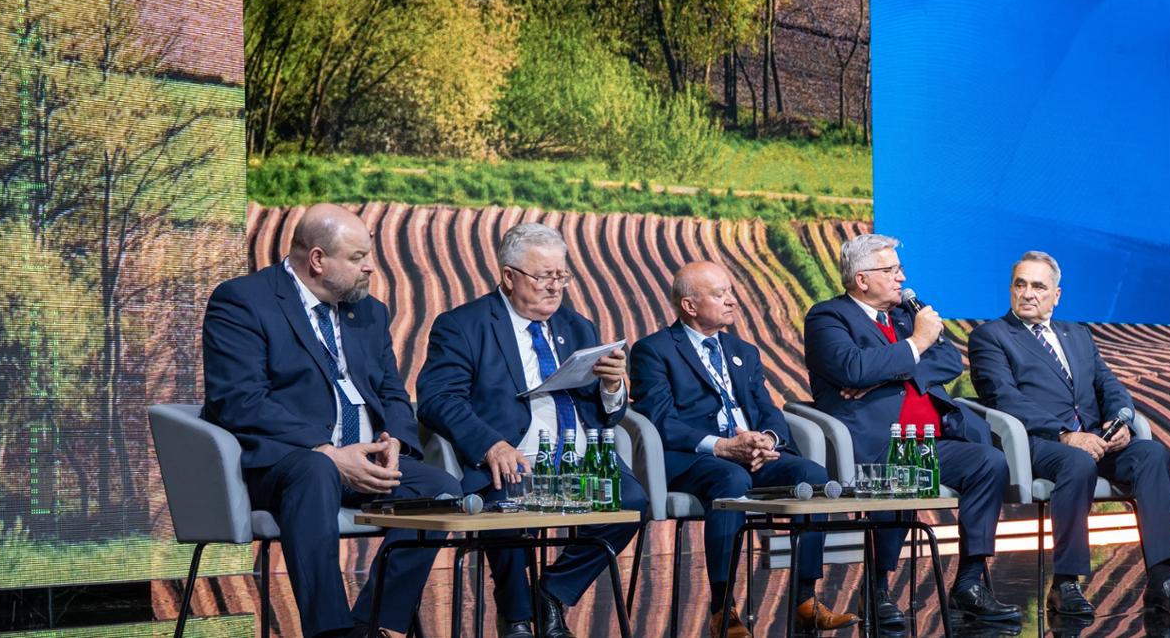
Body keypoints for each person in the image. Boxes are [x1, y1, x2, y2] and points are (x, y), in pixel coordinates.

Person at [201, 204, 457, 638]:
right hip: (286, 463)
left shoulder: (370, 312)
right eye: (358, 258)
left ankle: (376, 624)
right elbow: (240, 400)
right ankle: (331, 632)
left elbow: (392, 392)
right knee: (317, 469)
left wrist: (396, 440)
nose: (370, 267)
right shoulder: (243, 301)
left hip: (364, 461)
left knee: (441, 490)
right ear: (318, 260)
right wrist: (328, 452)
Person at [415, 223, 645, 638]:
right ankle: (517, 616)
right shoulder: (463, 325)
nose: (555, 287)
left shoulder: (578, 327)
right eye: (543, 276)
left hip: (577, 460)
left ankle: (552, 592)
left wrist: (613, 386)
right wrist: (490, 444)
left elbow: (606, 413)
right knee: (505, 497)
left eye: (562, 275)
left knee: (631, 499)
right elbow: (437, 398)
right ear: (509, 276)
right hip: (512, 457)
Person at [629, 261, 859, 637]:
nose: (732, 300)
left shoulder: (743, 350)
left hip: (751, 453)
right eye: (720, 294)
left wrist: (767, 439)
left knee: (813, 475)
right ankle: (723, 610)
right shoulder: (654, 350)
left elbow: (767, 408)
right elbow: (660, 419)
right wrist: (721, 446)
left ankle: (805, 600)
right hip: (697, 458)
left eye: (731, 292)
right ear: (689, 305)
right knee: (730, 478)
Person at [967, 251, 1170, 618]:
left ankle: (1161, 581)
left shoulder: (1076, 333)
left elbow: (1109, 385)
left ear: (1056, 295)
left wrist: (1121, 422)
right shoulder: (991, 336)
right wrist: (1064, 434)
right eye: (1020, 284)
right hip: (1038, 442)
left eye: (1038, 286)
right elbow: (1002, 397)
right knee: (1076, 462)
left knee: (1152, 454)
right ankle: (1065, 583)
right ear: (1011, 289)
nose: (1027, 293)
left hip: (1095, 439)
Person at [802, 233, 1019, 628]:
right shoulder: (828, 317)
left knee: (989, 462)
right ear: (862, 279)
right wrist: (916, 344)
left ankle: (969, 583)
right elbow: (851, 368)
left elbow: (949, 361)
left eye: (899, 269)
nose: (901, 278)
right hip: (876, 443)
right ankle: (878, 589)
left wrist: (887, 370)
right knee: (905, 470)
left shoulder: (905, 315)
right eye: (891, 270)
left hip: (933, 439)